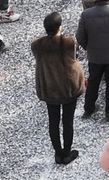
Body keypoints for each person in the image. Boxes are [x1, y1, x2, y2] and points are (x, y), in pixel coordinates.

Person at [32, 12, 85, 164]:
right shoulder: (68, 42)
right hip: (68, 87)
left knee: (53, 122)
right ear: (59, 27)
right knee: (68, 121)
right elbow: (75, 57)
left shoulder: (37, 45)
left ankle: (58, 153)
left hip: (49, 87)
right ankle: (67, 153)